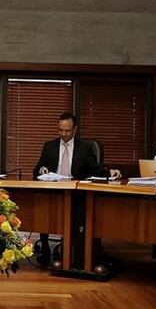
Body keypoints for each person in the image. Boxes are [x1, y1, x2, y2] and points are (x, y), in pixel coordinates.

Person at [32, 112, 120, 266]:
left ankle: (76, 257)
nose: (63, 134)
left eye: (67, 131)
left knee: (80, 212)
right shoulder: (49, 146)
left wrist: (110, 172)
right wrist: (42, 169)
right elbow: (37, 168)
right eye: (60, 130)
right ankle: (45, 249)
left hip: (76, 194)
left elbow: (96, 169)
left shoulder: (85, 148)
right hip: (54, 193)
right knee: (42, 209)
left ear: (75, 129)